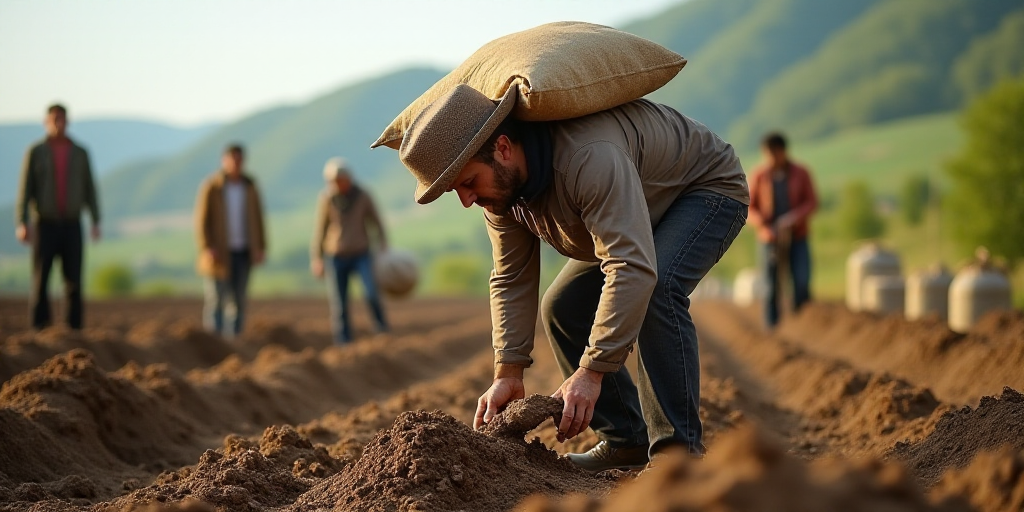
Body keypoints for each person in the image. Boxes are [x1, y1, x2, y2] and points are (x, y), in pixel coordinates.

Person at [398, 84, 749, 471]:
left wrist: (592, 371)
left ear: (502, 148)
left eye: (468, 183)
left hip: (702, 190)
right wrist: (508, 371)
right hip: (634, 212)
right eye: (455, 191)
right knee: (561, 306)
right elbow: (511, 277)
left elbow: (630, 265)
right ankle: (626, 440)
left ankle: (677, 459)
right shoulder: (501, 193)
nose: (466, 200)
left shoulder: (587, 158)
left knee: (658, 287)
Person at [15, 104, 101, 330]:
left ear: (67, 121)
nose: (58, 123)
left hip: (72, 224)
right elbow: (26, 188)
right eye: (54, 119)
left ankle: (74, 330)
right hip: (45, 224)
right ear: (46, 122)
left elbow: (89, 188)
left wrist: (95, 220)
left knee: (74, 280)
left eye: (61, 119)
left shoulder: (80, 153)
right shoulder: (36, 152)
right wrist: (22, 222)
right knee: (41, 279)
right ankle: (40, 329)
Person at [310, 158, 389, 344]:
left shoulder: (363, 195)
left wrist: (383, 243)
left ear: (348, 179)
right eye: (333, 181)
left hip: (361, 253)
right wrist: (317, 258)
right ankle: (344, 342)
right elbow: (320, 230)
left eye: (340, 180)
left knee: (371, 294)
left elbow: (376, 221)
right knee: (339, 304)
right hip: (336, 256)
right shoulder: (327, 199)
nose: (337, 184)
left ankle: (382, 331)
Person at [194, 143, 267, 337]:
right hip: (219, 252)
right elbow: (201, 220)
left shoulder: (250, 186)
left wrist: (260, 246)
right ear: (224, 160)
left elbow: (259, 218)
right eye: (232, 159)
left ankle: (235, 341)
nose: (236, 163)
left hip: (243, 250)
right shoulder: (212, 186)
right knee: (216, 299)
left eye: (239, 159)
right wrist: (207, 246)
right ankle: (213, 341)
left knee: (239, 300)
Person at [747, 132, 818, 328]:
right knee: (770, 285)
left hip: (798, 236)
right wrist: (764, 225)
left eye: (773, 153)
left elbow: (812, 202)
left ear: (782, 152)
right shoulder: (759, 176)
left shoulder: (801, 173)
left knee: (802, 279)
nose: (769, 158)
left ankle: (803, 322)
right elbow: (750, 208)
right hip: (769, 238)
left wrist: (794, 218)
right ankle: (772, 327)